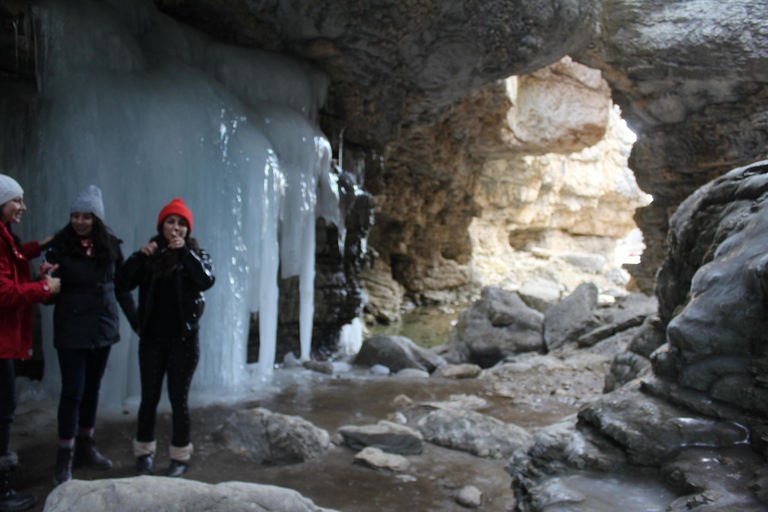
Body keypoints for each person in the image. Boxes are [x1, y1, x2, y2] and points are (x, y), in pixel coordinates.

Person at [44, 185, 138, 485]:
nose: (79, 221)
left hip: (103, 327)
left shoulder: (110, 245)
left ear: (96, 218)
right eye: (75, 215)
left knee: (93, 388)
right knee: (73, 391)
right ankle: (65, 456)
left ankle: (86, 446)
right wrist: (44, 283)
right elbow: (50, 297)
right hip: (72, 327)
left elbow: (121, 287)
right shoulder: (59, 246)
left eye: (86, 216)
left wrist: (138, 323)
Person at [119, 198, 214, 478]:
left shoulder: (195, 253)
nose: (176, 228)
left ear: (187, 229)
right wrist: (138, 257)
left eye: (182, 223)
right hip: (151, 340)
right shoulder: (149, 255)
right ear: (162, 226)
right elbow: (122, 283)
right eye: (171, 222)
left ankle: (180, 455)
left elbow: (206, 280)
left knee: (178, 399)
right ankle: (144, 453)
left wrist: (185, 253)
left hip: (183, 341)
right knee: (148, 398)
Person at [0, 174, 60, 512]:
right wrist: (43, 290)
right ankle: (2, 491)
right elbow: (4, 290)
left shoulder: (5, 235)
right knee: (4, 410)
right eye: (16, 201)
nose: (23, 207)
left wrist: (40, 248)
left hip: (3, 341)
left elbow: (15, 259)